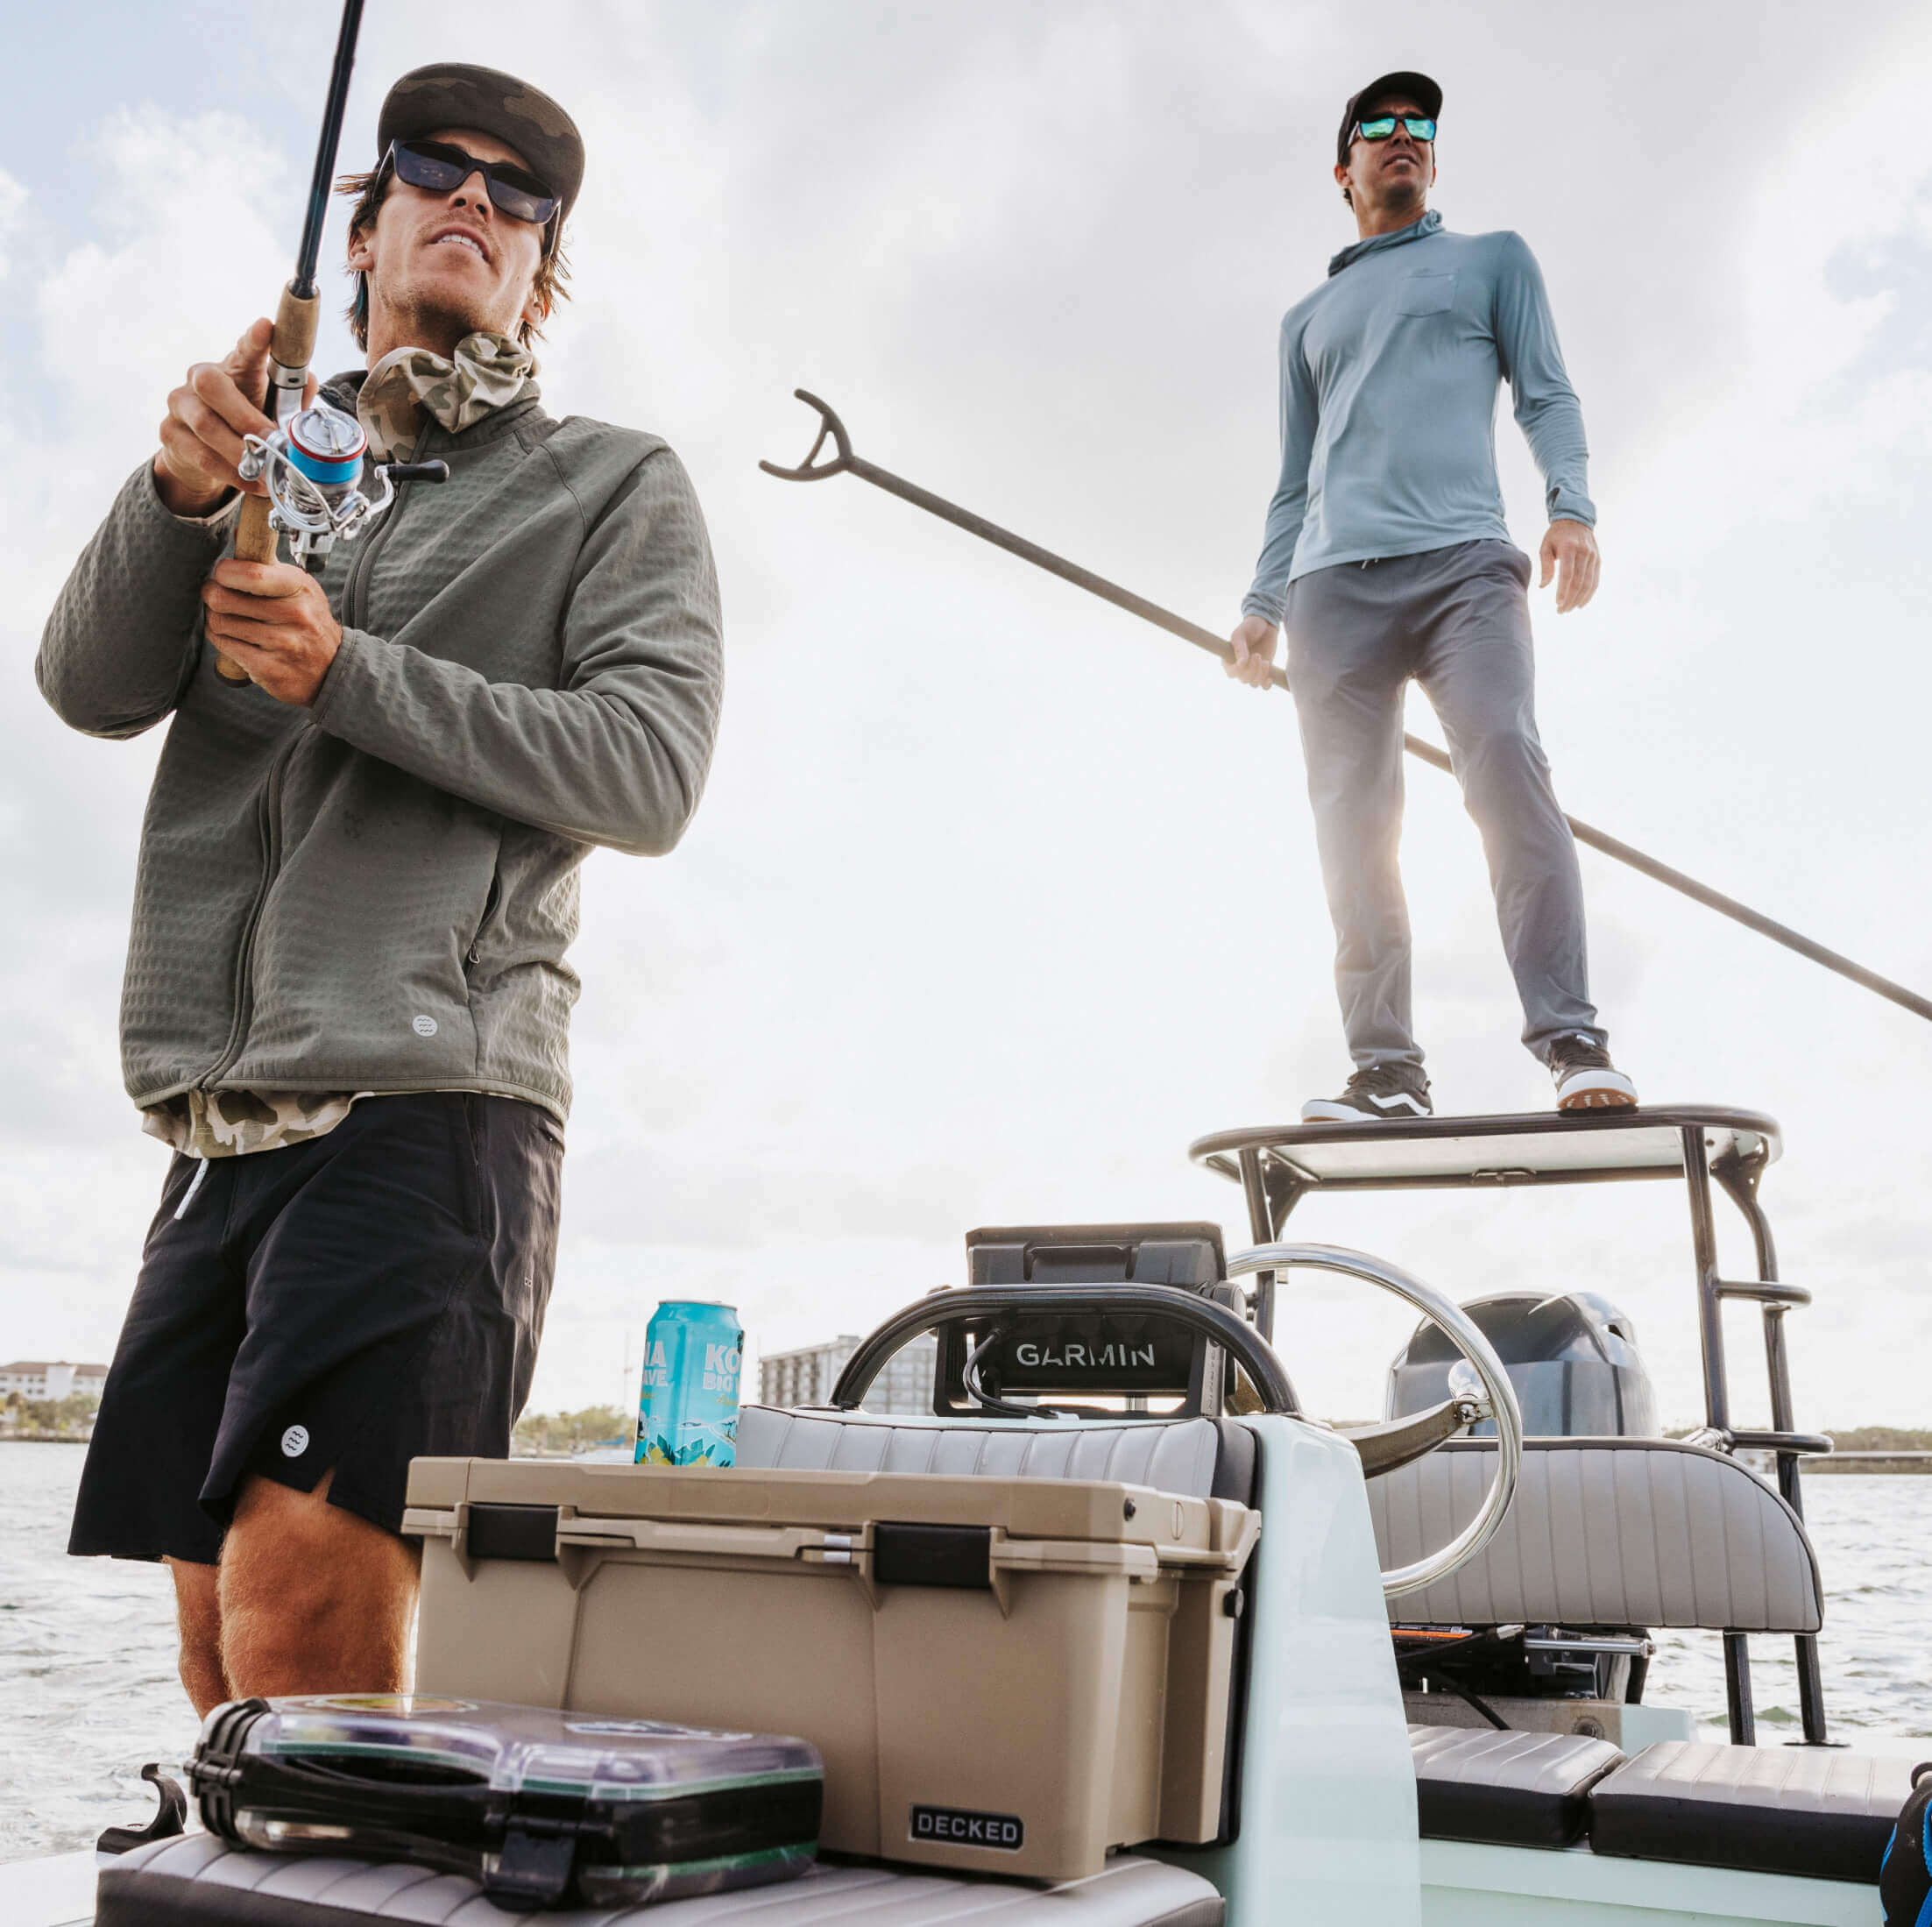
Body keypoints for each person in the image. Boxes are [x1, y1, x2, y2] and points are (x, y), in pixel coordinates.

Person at [38, 64, 724, 1715]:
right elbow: (87, 685)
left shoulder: (615, 486)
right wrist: (179, 497)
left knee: (304, 1628)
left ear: (540, 271)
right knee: (216, 1654)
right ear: (365, 229)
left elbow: (647, 770)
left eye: (519, 191)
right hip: (220, 1117)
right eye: (436, 166)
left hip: (434, 1101)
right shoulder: (270, 456)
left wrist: (354, 672)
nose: (475, 197)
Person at [1227, 69, 1635, 1123]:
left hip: (1464, 569)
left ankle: (1573, 1039)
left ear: (1433, 161)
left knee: (1503, 755)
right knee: (1353, 825)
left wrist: (1571, 507)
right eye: (1381, 127)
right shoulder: (1305, 320)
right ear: (1346, 166)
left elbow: (1545, 393)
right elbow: (1293, 479)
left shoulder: (1492, 262)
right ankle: (1386, 1072)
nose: (1404, 136)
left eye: (1421, 128)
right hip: (1330, 595)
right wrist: (1262, 603)